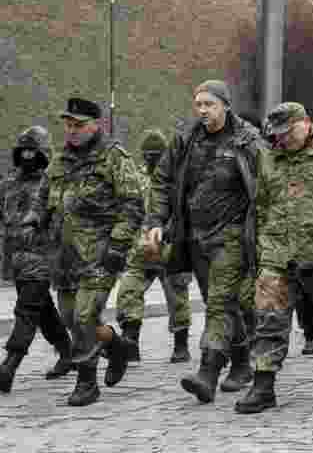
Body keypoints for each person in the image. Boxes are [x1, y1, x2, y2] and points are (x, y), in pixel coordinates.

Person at [233, 102, 313, 413]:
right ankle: (263, 385)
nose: (283, 139)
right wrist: (262, 245)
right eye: (277, 134)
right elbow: (262, 203)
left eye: (288, 131)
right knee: (268, 320)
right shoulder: (270, 158)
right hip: (278, 254)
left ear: (306, 123)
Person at [145, 80, 261, 403]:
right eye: (198, 105)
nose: (203, 111)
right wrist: (156, 221)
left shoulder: (247, 140)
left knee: (221, 303)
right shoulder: (185, 139)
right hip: (194, 238)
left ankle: (208, 372)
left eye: (209, 104)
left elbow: (266, 186)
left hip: (232, 237)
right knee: (221, 304)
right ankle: (241, 365)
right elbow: (163, 180)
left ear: (225, 105)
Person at [44, 97, 145, 406]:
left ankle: (87, 382)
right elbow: (44, 196)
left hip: (100, 253)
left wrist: (118, 244)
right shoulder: (60, 159)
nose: (72, 131)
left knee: (86, 316)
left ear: (96, 125)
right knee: (72, 318)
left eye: (79, 125)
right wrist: (38, 222)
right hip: (65, 257)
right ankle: (116, 346)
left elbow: (133, 205)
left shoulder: (114, 157)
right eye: (68, 125)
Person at [0, 126, 74, 393]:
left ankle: (10, 363)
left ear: (44, 153)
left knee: (26, 311)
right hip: (17, 261)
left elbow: (64, 220)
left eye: (34, 151)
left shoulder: (52, 184)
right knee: (43, 311)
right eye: (24, 151)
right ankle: (68, 352)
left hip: (43, 259)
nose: (28, 156)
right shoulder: (8, 183)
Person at [115, 129, 193, 364]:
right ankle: (130, 342)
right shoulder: (137, 179)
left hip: (171, 248)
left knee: (177, 297)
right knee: (128, 292)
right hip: (141, 250)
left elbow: (185, 213)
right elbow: (129, 210)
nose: (151, 159)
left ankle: (181, 345)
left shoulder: (178, 180)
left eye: (157, 155)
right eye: (148, 155)